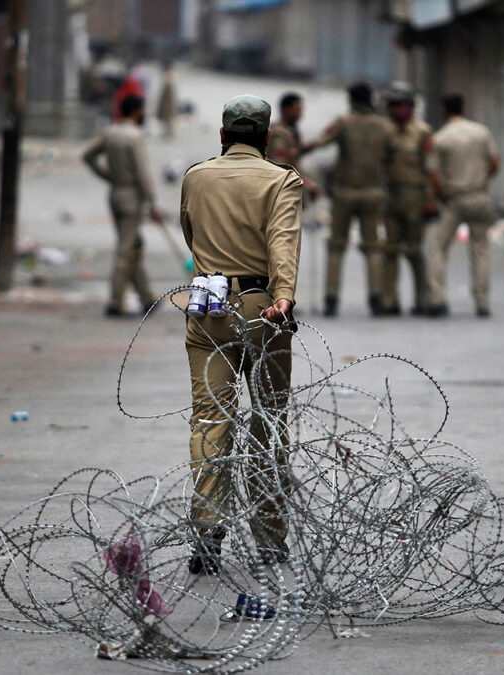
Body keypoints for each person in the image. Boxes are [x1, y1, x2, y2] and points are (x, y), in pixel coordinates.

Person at [179, 94, 302, 573]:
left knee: (210, 418)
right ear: (267, 138)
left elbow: (189, 232)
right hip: (264, 308)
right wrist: (284, 296)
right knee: (268, 422)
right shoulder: (282, 180)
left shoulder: (195, 176)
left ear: (224, 135)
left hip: (207, 307)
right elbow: (283, 242)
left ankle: (208, 531)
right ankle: (270, 540)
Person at [301, 82, 392, 317]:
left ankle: (331, 299)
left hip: (344, 192)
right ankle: (376, 298)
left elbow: (320, 141)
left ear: (351, 100)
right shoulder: (384, 126)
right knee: (373, 246)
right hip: (374, 192)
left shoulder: (344, 123)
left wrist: (296, 151)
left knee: (336, 246)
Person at [82, 95, 164, 316]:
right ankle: (115, 300)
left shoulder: (111, 132)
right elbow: (141, 173)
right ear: (137, 111)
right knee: (126, 249)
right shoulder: (134, 136)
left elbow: (88, 156)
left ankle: (147, 297)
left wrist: (108, 175)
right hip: (131, 197)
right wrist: (152, 202)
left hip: (115, 193)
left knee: (133, 245)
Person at [425, 93, 500, 318]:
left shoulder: (441, 138)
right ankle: (482, 302)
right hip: (479, 197)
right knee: (480, 249)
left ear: (444, 111)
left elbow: (434, 174)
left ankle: (438, 299)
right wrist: (482, 180)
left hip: (454, 200)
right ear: (464, 108)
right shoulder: (481, 132)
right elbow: (495, 163)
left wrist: (443, 196)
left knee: (437, 247)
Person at [381, 83, 437, 316]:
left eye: (398, 105)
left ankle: (423, 300)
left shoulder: (423, 132)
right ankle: (388, 301)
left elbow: (431, 169)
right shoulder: (386, 131)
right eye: (391, 105)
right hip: (391, 195)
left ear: (409, 106)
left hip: (415, 194)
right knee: (390, 249)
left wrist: (430, 199)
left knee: (414, 250)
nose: (394, 110)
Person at [155, 60, 177, 138]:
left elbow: (169, 98)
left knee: (168, 120)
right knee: (167, 120)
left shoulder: (169, 84)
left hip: (168, 106)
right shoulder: (169, 83)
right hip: (167, 106)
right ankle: (168, 132)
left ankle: (169, 132)